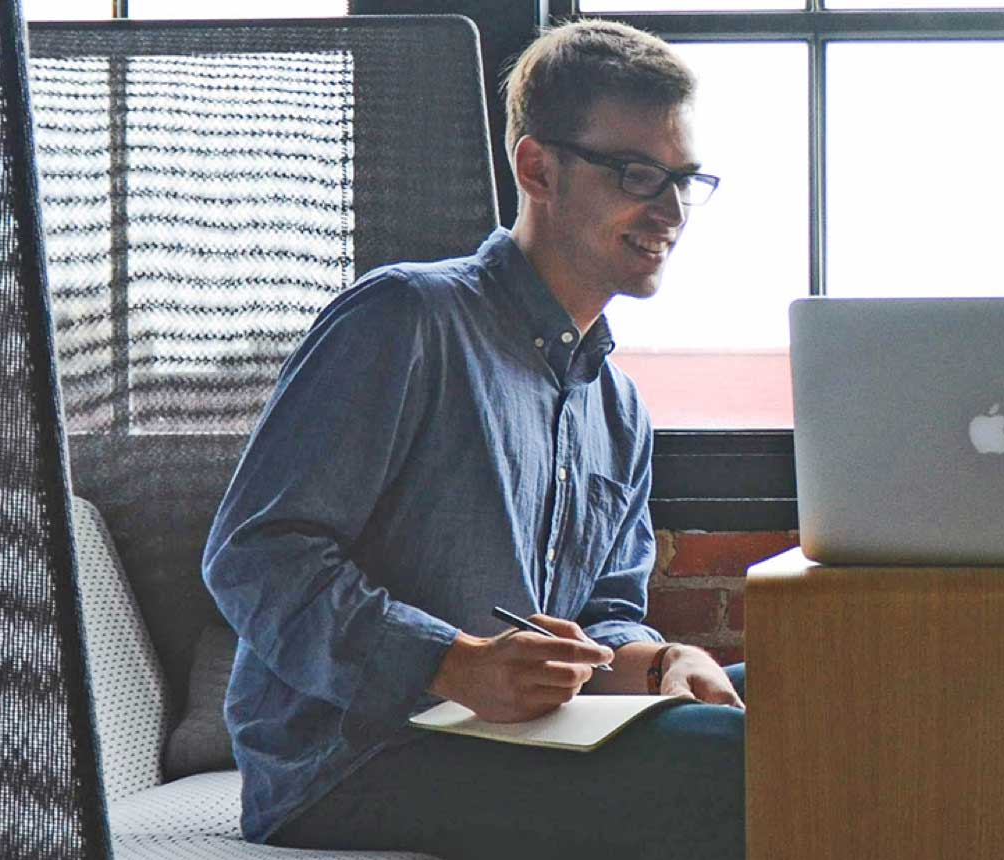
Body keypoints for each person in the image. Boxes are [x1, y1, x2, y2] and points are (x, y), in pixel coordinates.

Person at [200, 20, 744, 860]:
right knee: (753, 763)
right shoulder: (404, 320)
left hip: (526, 738)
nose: (670, 210)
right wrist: (451, 663)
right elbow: (254, 555)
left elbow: (605, 614)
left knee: (807, 710)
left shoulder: (619, 407)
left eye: (683, 179)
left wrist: (659, 660)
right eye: (639, 175)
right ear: (537, 168)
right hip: (355, 761)